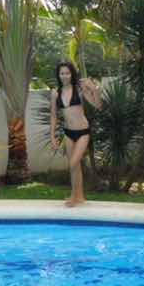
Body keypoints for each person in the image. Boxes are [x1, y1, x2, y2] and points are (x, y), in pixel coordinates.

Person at [50, 62, 101, 207]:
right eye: (62, 73)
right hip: (68, 133)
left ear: (71, 74)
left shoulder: (79, 89)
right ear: (58, 75)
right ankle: (80, 197)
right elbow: (53, 115)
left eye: (67, 73)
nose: (65, 76)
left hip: (83, 132)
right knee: (75, 166)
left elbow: (98, 105)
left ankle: (73, 196)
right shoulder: (55, 93)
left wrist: (94, 89)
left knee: (73, 163)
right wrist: (52, 136)